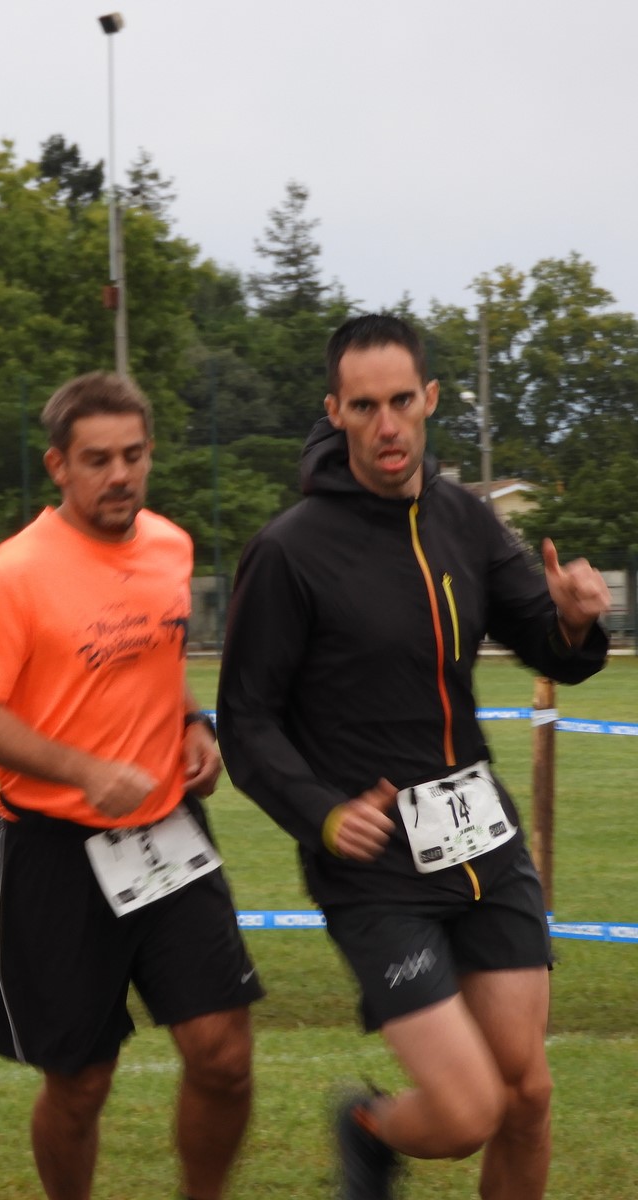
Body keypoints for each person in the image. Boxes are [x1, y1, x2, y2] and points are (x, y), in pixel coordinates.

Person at [217, 313, 611, 1200]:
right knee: (468, 1113)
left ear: (430, 398)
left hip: (485, 845)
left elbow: (544, 640)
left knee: (527, 1096)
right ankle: (369, 1125)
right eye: (365, 407)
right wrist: (322, 813)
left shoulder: (464, 518)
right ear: (335, 411)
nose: (387, 425)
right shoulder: (289, 551)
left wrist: (574, 620)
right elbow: (246, 722)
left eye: (402, 401)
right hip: (378, 870)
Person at [0, 371, 263, 1200]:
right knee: (81, 1082)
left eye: (133, 455)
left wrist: (194, 722)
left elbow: (155, 659)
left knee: (224, 1055)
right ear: (58, 464)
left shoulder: (170, 547)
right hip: (52, 847)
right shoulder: (14, 573)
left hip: (166, 831)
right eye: (97, 459)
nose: (119, 475)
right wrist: (83, 770)